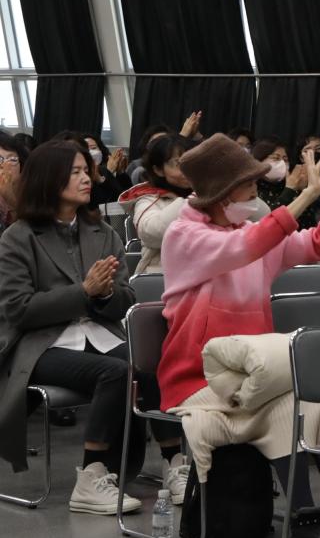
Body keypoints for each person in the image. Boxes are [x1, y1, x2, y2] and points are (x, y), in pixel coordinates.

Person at [159, 136, 320, 538]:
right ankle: (304, 526)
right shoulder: (185, 236)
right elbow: (245, 248)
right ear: (224, 193)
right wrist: (307, 195)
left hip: (255, 373)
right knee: (287, 409)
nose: (255, 194)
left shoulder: (248, 231)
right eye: (249, 187)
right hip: (197, 379)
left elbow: (316, 245)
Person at [0, 141, 184, 513]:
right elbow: (18, 311)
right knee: (115, 372)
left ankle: (174, 464)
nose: (87, 179)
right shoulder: (18, 237)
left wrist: (104, 295)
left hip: (97, 333)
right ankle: (91, 476)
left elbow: (126, 297)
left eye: (87, 171)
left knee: (152, 361)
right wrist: (83, 291)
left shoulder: (102, 233)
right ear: (49, 180)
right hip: (40, 344)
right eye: (76, 173)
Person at [121, 132, 199, 275]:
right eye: (178, 164)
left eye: (191, 162)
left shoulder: (206, 193)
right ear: (158, 169)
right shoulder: (147, 197)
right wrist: (192, 201)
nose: (188, 170)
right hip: (161, 276)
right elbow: (150, 233)